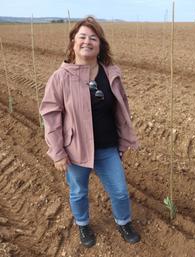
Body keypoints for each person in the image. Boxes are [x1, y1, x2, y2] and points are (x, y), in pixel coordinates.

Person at [39, 16, 140, 248]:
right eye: (82, 37)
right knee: (78, 192)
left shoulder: (110, 73)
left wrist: (124, 141)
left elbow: (121, 109)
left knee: (121, 192)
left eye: (93, 38)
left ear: (100, 45)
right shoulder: (60, 78)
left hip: (107, 147)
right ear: (73, 42)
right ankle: (83, 225)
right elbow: (51, 116)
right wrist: (57, 151)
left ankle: (124, 222)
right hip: (75, 150)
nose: (87, 41)